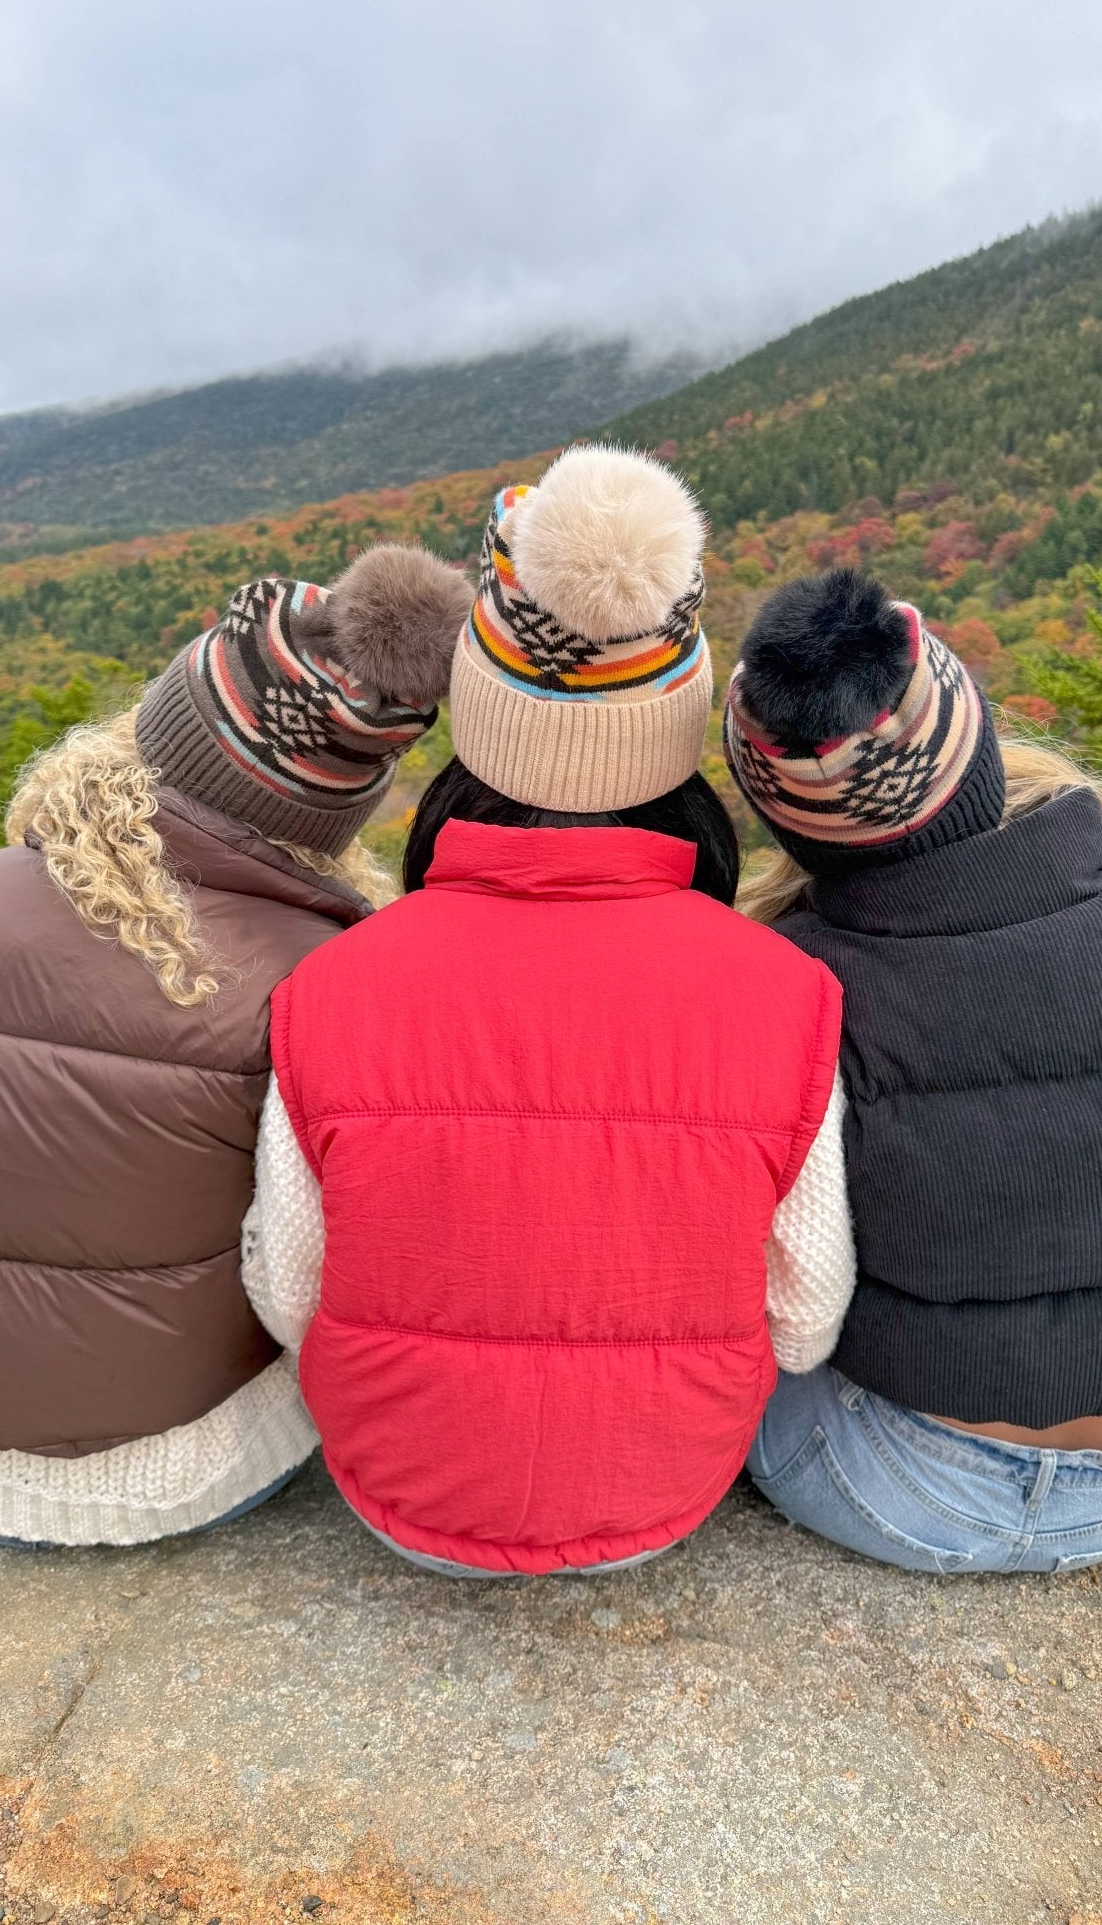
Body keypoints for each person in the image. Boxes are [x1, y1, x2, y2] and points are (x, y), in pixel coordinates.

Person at [240, 444, 852, 1577]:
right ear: (681, 726)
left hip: (396, 1498)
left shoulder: (331, 985)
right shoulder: (790, 995)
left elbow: (289, 1295)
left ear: (478, 714)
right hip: (665, 1497)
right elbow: (807, 1322)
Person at [0, 545, 472, 1547]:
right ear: (330, 812)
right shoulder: (319, 982)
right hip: (178, 1465)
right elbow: (312, 1278)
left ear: (155, 727)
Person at [724, 566, 1102, 1575]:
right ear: (980, 749)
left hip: (906, 1481)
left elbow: (800, 1312)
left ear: (789, 825)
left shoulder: (801, 992)